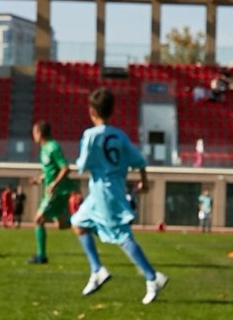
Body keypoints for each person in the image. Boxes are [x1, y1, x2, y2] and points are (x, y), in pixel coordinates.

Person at [72, 87, 168, 303]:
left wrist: (80, 165)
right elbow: (139, 160)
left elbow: (82, 165)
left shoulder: (90, 135)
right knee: (78, 223)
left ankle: (153, 278)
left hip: (105, 193)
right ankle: (97, 270)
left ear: (91, 111)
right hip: (107, 191)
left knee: (122, 236)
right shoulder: (120, 135)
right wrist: (143, 180)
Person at [27, 119, 79, 266]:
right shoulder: (45, 149)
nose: (33, 136)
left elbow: (65, 168)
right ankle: (84, 223)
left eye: (34, 133)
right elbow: (51, 170)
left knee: (38, 219)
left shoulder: (53, 147)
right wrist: (39, 179)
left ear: (39, 133)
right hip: (54, 189)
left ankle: (41, 256)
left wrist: (54, 184)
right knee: (61, 225)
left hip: (57, 191)